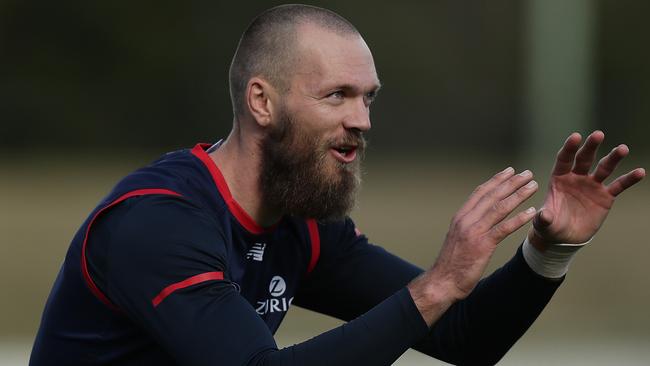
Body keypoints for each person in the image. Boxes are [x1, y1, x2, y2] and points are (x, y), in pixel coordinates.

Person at [30, 4, 645, 366]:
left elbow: (466, 338)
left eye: (368, 98)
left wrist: (548, 252)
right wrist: (436, 287)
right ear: (262, 102)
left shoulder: (304, 225)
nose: (362, 119)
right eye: (337, 96)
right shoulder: (158, 221)